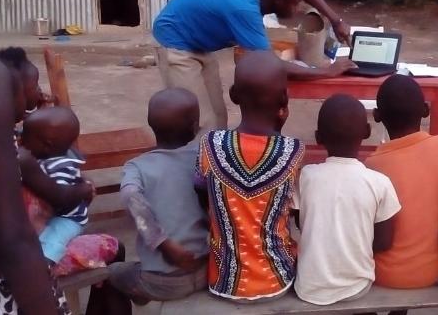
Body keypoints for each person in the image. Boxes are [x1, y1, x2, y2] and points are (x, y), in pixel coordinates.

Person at [153, 0, 356, 134]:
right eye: (295, 4)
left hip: (200, 43)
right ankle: (196, 177)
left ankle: (213, 168)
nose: (298, 10)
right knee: (195, 120)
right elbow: (270, 64)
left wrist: (335, 20)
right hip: (177, 42)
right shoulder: (244, 10)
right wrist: (325, 72)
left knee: (217, 117)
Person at [195, 51, 304, 301]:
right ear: (284, 100)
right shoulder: (293, 150)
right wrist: (278, 128)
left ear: (233, 95)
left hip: (222, 282)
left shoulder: (211, 144)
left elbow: (201, 192)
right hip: (277, 279)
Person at [294, 94, 401, 305]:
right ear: (367, 132)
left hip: (308, 287)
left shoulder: (306, 176)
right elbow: (384, 242)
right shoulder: (379, 182)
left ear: (318, 137)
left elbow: (301, 223)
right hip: (357, 286)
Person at [108, 88, 208, 304]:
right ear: (194, 127)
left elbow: (130, 196)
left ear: (151, 125)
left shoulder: (137, 167)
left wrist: (164, 244)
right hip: (207, 270)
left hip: (163, 283)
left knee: (113, 272)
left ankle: (140, 294)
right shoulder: (203, 156)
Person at [364, 75, 438, 297]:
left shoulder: (373, 165)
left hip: (384, 274)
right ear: (426, 110)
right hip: (435, 271)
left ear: (377, 116)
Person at [0, 56, 67, 315]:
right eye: (33, 87)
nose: (39, 92)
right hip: (10, 281)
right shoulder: (19, 156)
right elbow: (12, 238)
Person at [18, 107, 92, 264]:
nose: (20, 140)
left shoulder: (61, 166)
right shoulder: (45, 154)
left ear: (47, 145)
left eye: (25, 136)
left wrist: (83, 189)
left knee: (53, 237)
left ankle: (46, 265)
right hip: (53, 214)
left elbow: (62, 199)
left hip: (67, 218)